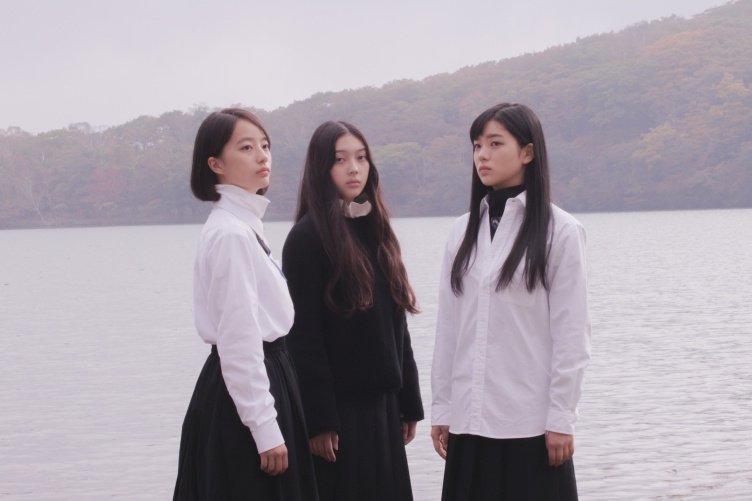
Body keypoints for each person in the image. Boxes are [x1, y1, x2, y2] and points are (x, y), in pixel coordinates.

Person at [430, 103, 591, 500]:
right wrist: (442, 408)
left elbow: (572, 336)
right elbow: (448, 330)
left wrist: (561, 418)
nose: (481, 155)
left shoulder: (561, 231)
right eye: (476, 145)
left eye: (495, 143)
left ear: (528, 152)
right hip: (469, 420)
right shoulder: (461, 232)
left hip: (529, 425)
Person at [173, 108, 317, 500]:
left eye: (265, 146)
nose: (262, 156)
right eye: (246, 147)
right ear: (216, 164)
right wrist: (264, 427)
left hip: (265, 377)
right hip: (249, 387)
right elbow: (238, 340)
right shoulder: (231, 235)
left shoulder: (243, 227)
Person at [281, 120, 424, 501]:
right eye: (340, 159)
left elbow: (397, 325)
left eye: (361, 158)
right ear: (321, 168)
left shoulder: (376, 229)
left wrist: (409, 402)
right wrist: (319, 421)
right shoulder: (306, 239)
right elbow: (303, 338)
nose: (354, 168)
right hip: (340, 417)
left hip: (385, 408)